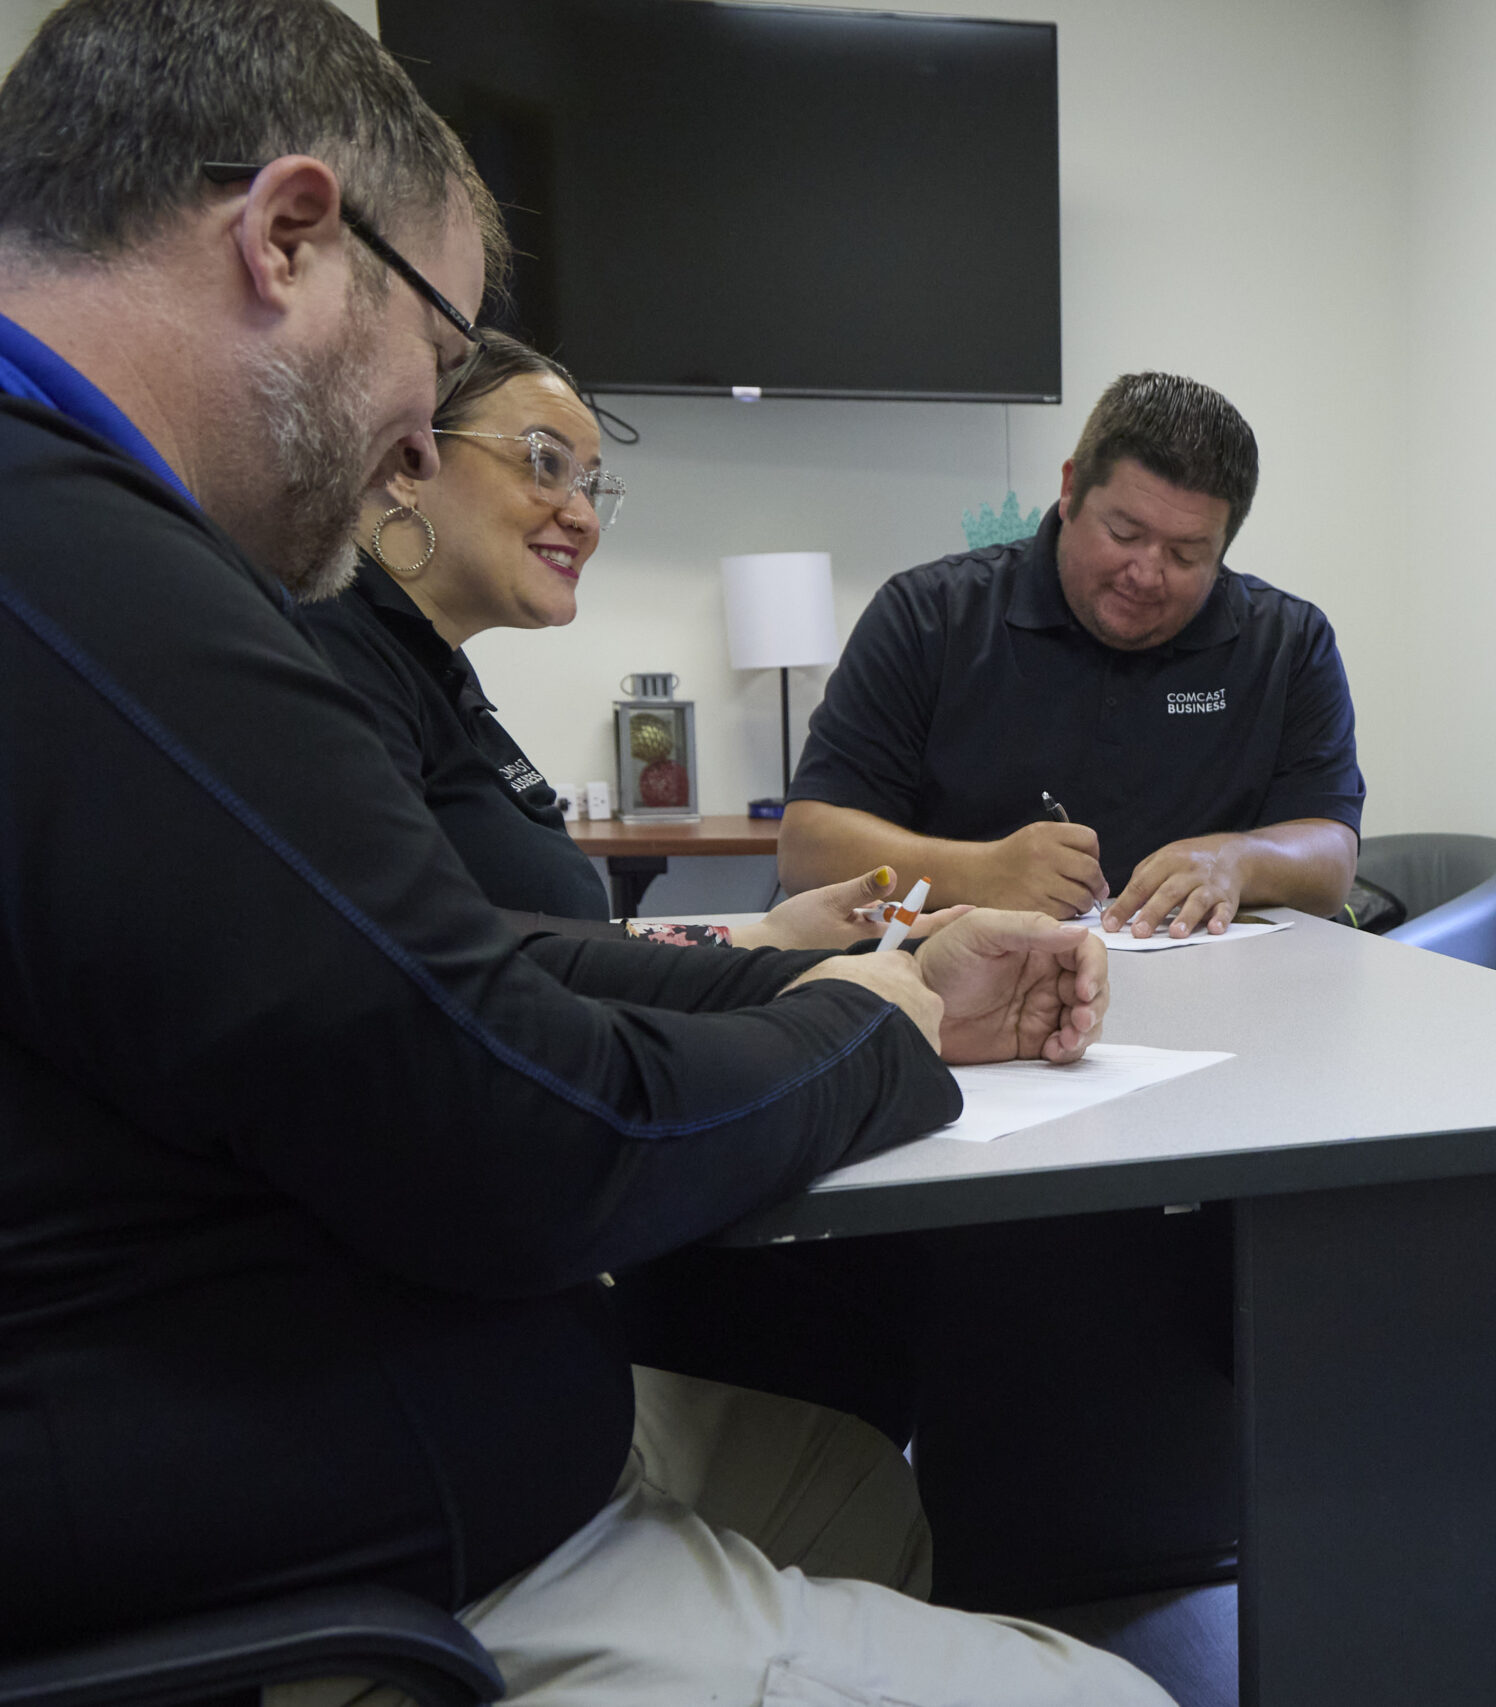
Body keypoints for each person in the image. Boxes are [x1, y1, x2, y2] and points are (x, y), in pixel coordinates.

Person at [0, 4, 1166, 1703]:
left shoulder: (107, 569)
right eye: (440, 346)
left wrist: (845, 969)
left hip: (341, 1451)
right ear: (290, 234)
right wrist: (875, 1030)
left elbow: (450, 964)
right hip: (316, 1572)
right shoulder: (87, 582)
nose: (414, 439)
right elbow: (538, 1128)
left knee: (849, 1486)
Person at [305, 329, 944, 950]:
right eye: (545, 464)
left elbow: (549, 948)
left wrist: (766, 938)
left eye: (591, 485)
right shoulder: (330, 653)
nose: (583, 517)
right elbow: (425, 961)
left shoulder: (431, 666)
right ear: (410, 457)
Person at [782, 371, 1365, 938]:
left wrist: (1239, 860)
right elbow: (808, 846)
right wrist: (981, 872)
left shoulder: (1288, 644)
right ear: (1070, 490)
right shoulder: (929, 617)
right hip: (959, 995)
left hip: (1231, 999)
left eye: (1187, 554)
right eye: (1124, 533)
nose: (1145, 574)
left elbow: (1332, 858)